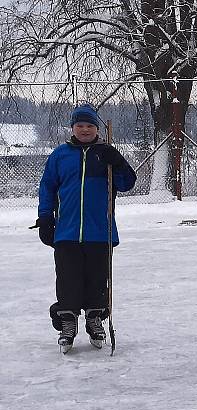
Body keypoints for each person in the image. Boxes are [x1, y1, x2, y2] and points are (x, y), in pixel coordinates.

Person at [32, 104, 137, 353]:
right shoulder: (60, 155)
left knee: (97, 280)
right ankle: (68, 323)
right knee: (68, 280)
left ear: (97, 129)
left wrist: (119, 162)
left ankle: (94, 319)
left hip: (100, 231)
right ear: (72, 128)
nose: (85, 129)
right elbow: (47, 187)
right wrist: (45, 217)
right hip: (67, 231)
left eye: (90, 125)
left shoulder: (106, 153)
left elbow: (126, 184)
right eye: (80, 125)